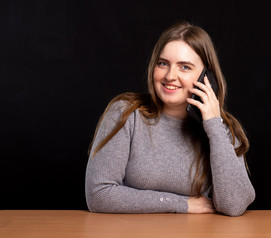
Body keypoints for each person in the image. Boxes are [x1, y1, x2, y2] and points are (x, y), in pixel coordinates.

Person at [85, 21, 255, 217]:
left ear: (206, 77)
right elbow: (98, 194)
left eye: (184, 67)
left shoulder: (222, 128)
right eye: (163, 63)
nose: (170, 76)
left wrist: (213, 126)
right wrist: (182, 204)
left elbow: (234, 205)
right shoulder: (126, 113)